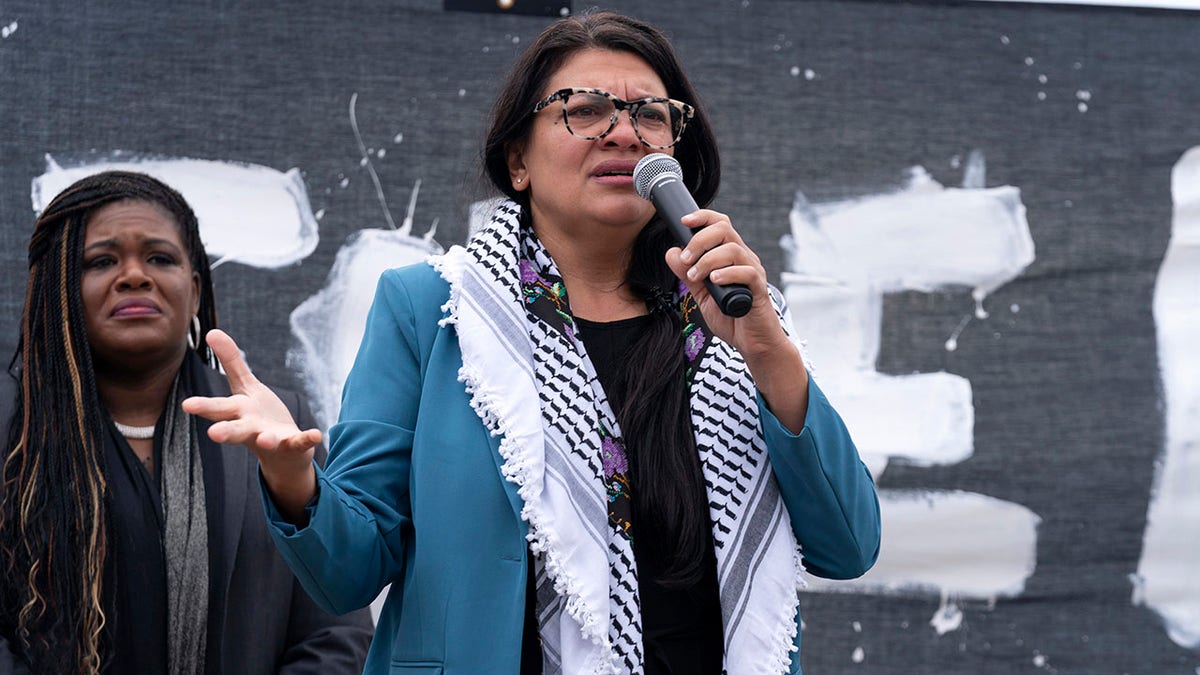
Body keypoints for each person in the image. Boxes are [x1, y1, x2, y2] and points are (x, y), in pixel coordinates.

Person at [184, 10, 880, 675]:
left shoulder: (734, 316)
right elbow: (348, 571)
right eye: (585, 108)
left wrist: (767, 352)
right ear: (517, 159)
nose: (624, 133)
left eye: (650, 115)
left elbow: (848, 546)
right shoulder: (432, 310)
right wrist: (291, 477)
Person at [0, 171, 373, 675]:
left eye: (160, 258)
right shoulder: (13, 430)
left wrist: (299, 491)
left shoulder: (266, 425)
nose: (134, 275)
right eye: (101, 261)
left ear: (195, 291)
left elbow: (336, 632)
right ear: (59, 289)